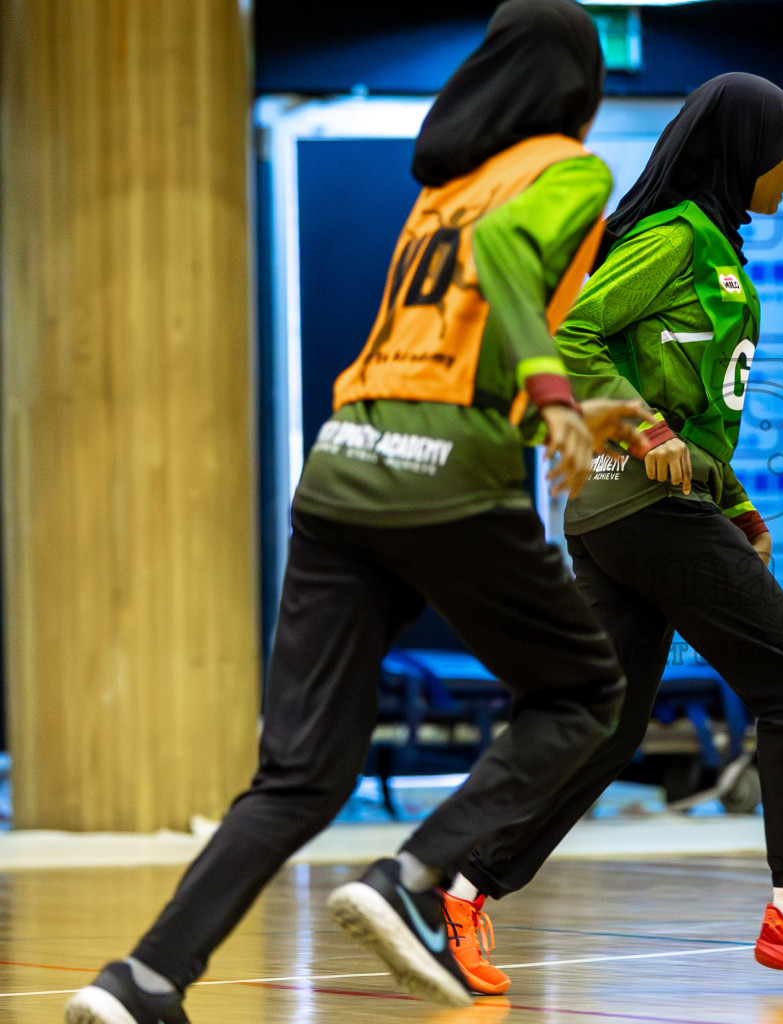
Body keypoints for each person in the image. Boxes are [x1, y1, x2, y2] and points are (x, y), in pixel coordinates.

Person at [62, 3, 640, 1020]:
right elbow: (507, 258)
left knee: (298, 774)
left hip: (343, 467)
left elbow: (449, 349)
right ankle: (411, 879)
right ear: (581, 87)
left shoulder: (446, 189)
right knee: (583, 694)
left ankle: (142, 978)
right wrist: (554, 397)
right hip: (444, 476)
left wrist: (557, 407)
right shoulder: (566, 170)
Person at [434, 73, 783, 995]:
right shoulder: (674, 237)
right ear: (744, 154)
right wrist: (644, 431)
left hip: (622, 511)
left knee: (608, 731)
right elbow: (572, 338)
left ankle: (457, 891)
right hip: (642, 506)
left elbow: (695, 413)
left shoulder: (715, 247)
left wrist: (731, 501)